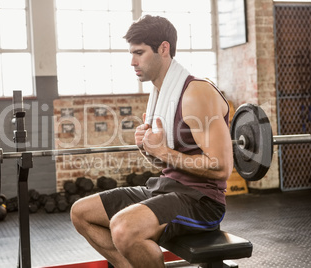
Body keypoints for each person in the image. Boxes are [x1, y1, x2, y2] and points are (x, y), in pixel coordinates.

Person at [70, 15, 233, 268]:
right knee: (81, 213)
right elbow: (164, 162)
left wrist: (163, 150)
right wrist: (146, 147)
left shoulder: (196, 93)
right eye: (131, 53)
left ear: (164, 49)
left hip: (201, 201)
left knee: (123, 227)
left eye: (139, 53)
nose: (132, 61)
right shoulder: (160, 94)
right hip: (165, 188)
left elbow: (222, 167)